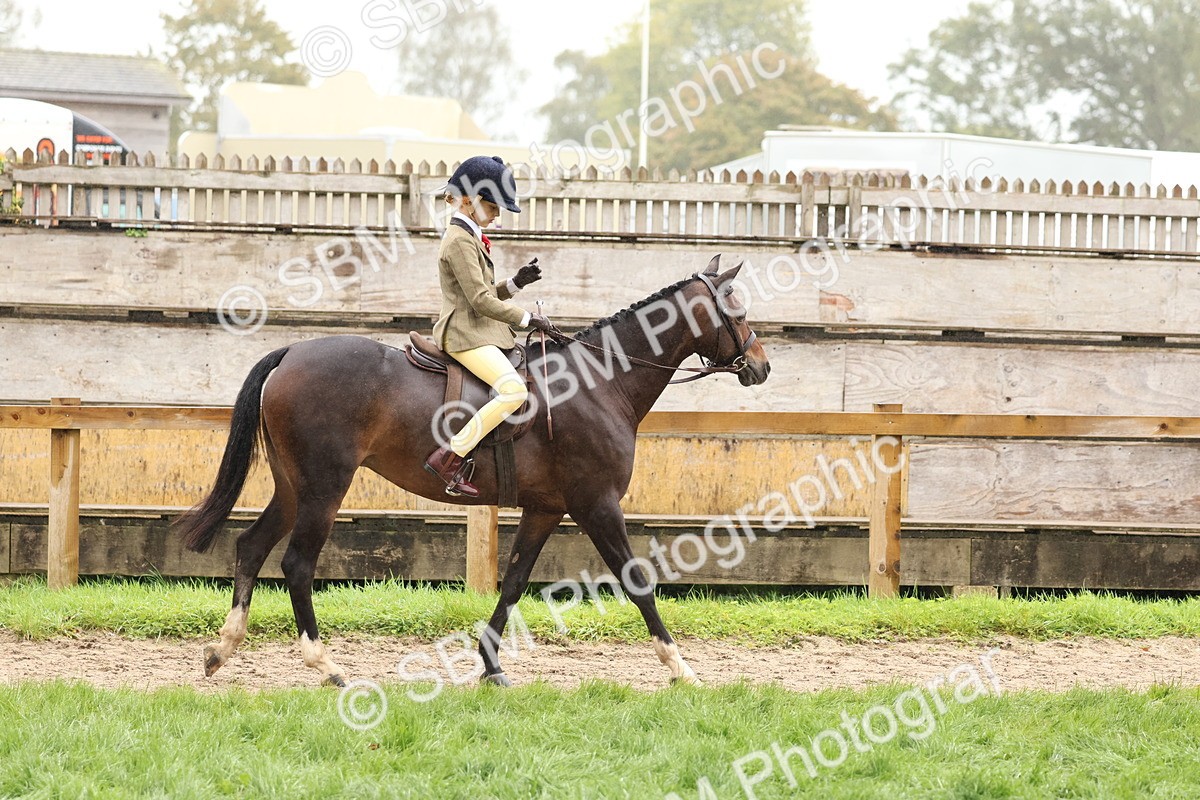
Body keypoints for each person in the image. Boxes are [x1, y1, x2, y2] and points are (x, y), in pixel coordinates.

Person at [424, 155, 557, 497]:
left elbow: (481, 292)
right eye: (493, 205)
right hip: (465, 334)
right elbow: (480, 303)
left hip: (478, 327)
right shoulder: (458, 240)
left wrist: (515, 284)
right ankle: (451, 456)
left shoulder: (470, 235)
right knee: (514, 391)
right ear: (468, 200)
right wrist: (528, 319)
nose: (497, 214)